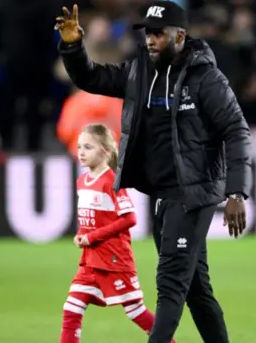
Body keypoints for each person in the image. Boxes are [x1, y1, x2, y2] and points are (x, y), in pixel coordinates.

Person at [55, 0, 252, 343]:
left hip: (194, 193)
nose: (150, 40)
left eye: (159, 34)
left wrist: (235, 193)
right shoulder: (138, 71)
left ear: (180, 36)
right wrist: (73, 46)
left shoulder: (206, 78)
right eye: (147, 33)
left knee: (171, 282)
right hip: (161, 193)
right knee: (195, 289)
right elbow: (90, 77)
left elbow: (236, 130)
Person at [61, 123, 175, 343]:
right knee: (71, 309)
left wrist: (92, 237)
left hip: (114, 261)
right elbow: (92, 219)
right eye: (79, 147)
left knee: (136, 311)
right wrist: (81, 234)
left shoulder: (111, 182)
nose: (81, 152)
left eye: (88, 147)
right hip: (90, 261)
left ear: (105, 151)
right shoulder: (81, 182)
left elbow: (130, 218)